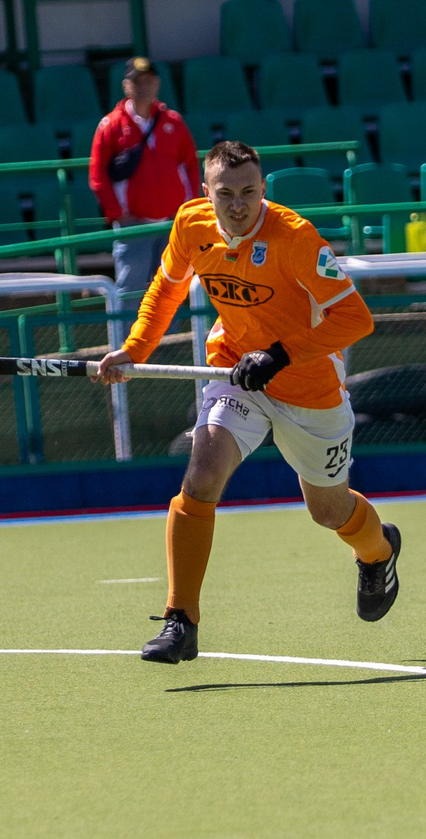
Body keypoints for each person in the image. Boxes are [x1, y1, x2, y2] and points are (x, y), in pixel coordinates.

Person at [95, 141, 396, 663]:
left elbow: (356, 319)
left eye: (249, 192)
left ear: (264, 189)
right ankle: (180, 620)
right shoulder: (191, 225)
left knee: (328, 511)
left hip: (308, 386)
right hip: (236, 370)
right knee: (202, 473)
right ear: (205, 192)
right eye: (226, 194)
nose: (238, 205)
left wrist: (279, 355)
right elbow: (166, 290)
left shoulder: (295, 237)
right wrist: (135, 349)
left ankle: (379, 552)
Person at [87, 56, 203, 306]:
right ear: (126, 86)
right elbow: (98, 175)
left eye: (148, 80)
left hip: (170, 222)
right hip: (133, 223)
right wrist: (117, 213)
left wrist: (187, 208)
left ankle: (169, 334)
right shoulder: (110, 125)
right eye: (137, 81)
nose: (143, 86)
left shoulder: (173, 121)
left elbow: (190, 166)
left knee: (170, 289)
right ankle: (127, 333)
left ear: (157, 84)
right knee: (131, 288)